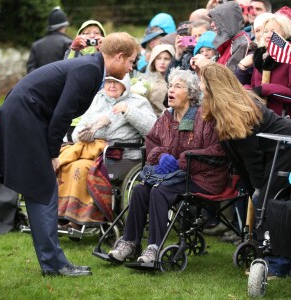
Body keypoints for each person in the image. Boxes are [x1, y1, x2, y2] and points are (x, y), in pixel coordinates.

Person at [0, 32, 140, 277]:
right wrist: (52, 154)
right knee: (43, 190)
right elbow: (62, 115)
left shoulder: (92, 67)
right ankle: (55, 265)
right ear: (119, 56)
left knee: (41, 191)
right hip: (25, 117)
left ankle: (53, 263)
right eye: (131, 61)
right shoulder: (90, 70)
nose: (131, 67)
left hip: (26, 116)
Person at [107, 68, 229, 263]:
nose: (171, 90)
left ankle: (154, 247)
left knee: (159, 191)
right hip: (174, 176)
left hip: (203, 178)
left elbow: (217, 152)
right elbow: (152, 143)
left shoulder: (205, 117)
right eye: (170, 86)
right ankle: (130, 243)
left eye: (177, 86)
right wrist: (162, 156)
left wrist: (181, 162)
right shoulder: (166, 117)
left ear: (190, 94)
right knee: (140, 190)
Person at [200, 62, 291, 278]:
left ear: (213, 86)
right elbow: (241, 157)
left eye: (202, 81)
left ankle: (277, 264)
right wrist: (253, 187)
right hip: (269, 154)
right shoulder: (222, 107)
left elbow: (252, 156)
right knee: (262, 202)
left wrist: (258, 187)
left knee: (268, 205)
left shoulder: (238, 110)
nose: (199, 85)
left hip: (284, 148)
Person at [58, 74, 157, 229]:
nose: (111, 86)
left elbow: (153, 128)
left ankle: (80, 219)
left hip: (122, 157)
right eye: (108, 82)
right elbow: (76, 134)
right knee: (68, 167)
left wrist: (128, 111)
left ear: (125, 84)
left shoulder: (138, 102)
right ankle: (65, 216)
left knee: (81, 168)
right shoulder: (97, 100)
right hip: (93, 152)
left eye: (116, 82)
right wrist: (88, 132)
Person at [236, 15, 291, 116]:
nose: (268, 35)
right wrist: (247, 91)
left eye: (274, 32)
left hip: (283, 119)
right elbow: (254, 86)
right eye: (265, 31)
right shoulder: (260, 56)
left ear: (285, 34)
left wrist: (265, 89)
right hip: (260, 116)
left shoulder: (288, 57)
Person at [26, 6, 72, 73]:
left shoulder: (36, 45)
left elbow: (30, 70)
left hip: (40, 82)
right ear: (64, 26)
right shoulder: (69, 43)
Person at [208, 1, 251, 71]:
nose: (212, 24)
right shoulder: (226, 42)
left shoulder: (242, 44)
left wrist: (205, 66)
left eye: (216, 20)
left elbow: (230, 77)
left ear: (228, 21)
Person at [141, 44, 175, 116]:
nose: (162, 62)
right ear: (153, 60)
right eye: (158, 58)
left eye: (166, 59)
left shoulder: (177, 81)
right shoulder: (144, 80)